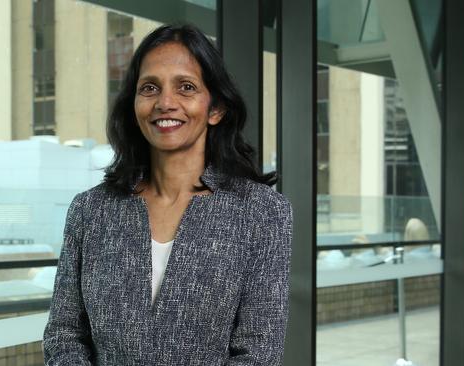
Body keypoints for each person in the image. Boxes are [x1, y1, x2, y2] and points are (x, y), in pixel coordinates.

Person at [43, 23, 293, 365]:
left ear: (215, 108)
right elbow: (64, 334)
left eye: (186, 87)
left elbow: (258, 354)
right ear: (134, 105)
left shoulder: (262, 212)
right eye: (150, 88)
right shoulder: (91, 210)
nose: (165, 102)